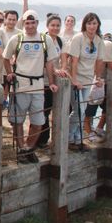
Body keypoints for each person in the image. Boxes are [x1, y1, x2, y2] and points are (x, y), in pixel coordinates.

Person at [3, 10, 60, 164]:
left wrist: (52, 82)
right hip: (20, 84)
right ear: (23, 24)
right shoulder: (17, 39)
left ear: (37, 23)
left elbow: (49, 63)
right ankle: (22, 149)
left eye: (32, 22)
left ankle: (28, 147)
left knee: (38, 120)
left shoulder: (45, 39)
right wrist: (10, 73)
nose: (29, 25)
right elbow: (5, 58)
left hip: (38, 85)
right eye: (27, 23)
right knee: (18, 120)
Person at [67, 12, 105, 151]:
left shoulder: (98, 40)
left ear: (98, 24)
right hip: (76, 80)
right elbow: (74, 61)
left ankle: (78, 139)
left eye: (94, 23)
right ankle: (69, 138)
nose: (92, 26)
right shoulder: (78, 38)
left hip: (88, 80)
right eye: (89, 23)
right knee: (78, 110)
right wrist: (74, 79)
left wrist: (98, 78)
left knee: (82, 112)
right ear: (85, 25)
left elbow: (99, 61)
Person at [36, 14, 69, 149]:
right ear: (47, 26)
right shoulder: (42, 40)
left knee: (56, 108)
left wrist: (63, 70)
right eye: (52, 25)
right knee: (43, 111)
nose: (55, 28)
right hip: (42, 80)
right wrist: (55, 70)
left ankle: (52, 138)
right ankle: (41, 139)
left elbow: (64, 58)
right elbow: (41, 60)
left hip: (56, 81)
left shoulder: (60, 41)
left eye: (57, 25)